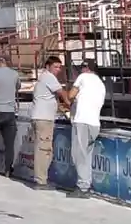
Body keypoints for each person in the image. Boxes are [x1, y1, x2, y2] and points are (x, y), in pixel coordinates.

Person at [67, 60, 106, 198]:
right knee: (87, 156)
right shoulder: (101, 83)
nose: (81, 69)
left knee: (79, 155)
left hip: (82, 121)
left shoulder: (83, 77)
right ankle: (86, 184)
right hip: (94, 123)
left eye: (83, 67)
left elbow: (70, 95)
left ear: (87, 68)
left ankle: (83, 186)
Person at [30, 56, 64, 188]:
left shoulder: (44, 78)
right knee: (43, 149)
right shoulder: (49, 77)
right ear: (48, 66)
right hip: (43, 118)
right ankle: (40, 180)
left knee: (45, 149)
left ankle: (41, 178)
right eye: (55, 67)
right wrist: (70, 102)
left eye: (59, 67)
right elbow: (62, 93)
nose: (58, 70)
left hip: (43, 117)